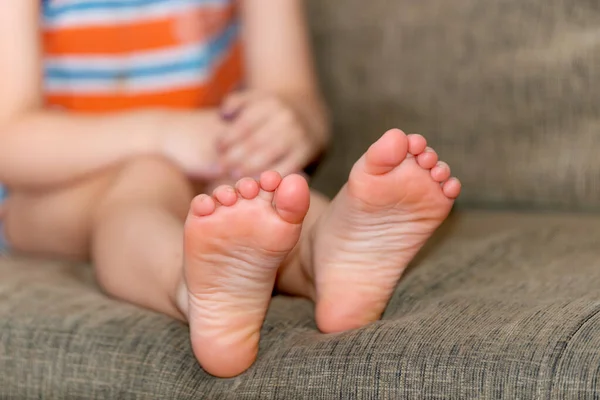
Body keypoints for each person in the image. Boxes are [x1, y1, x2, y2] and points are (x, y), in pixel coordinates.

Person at [0, 0, 461, 378]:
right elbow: (9, 139)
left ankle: (326, 258)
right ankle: (190, 284)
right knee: (145, 180)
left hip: (208, 165)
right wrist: (162, 134)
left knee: (263, 191)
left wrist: (290, 121)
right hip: (44, 197)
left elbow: (297, 98)